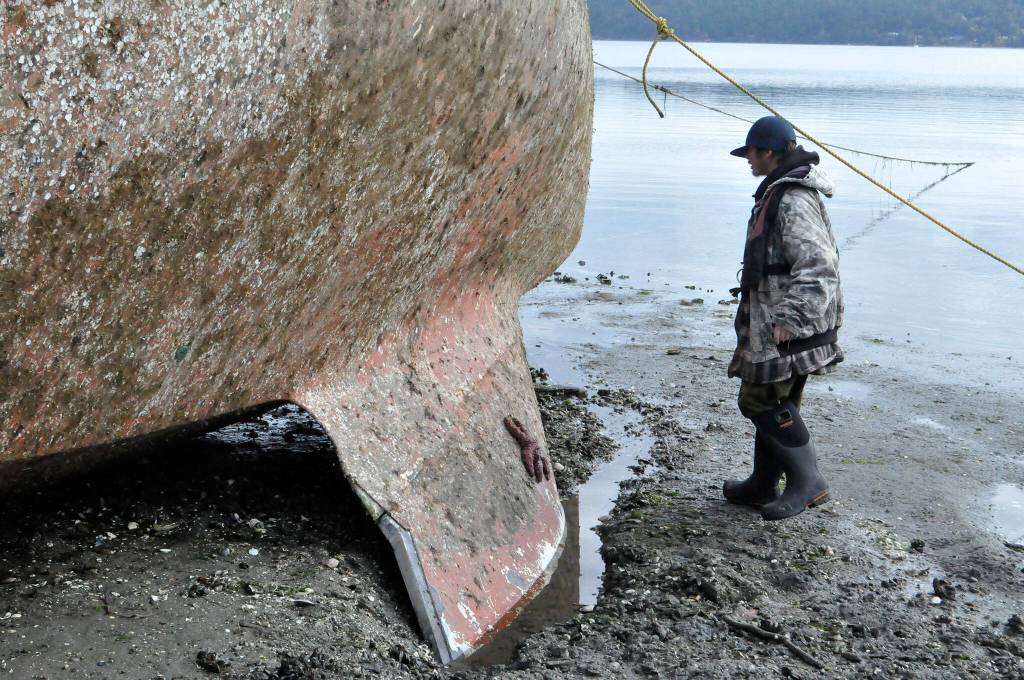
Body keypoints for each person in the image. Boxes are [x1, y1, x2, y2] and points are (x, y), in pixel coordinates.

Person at [722, 115, 844, 521]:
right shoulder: (780, 192)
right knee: (779, 397)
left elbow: (819, 264)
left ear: (769, 152)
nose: (748, 161)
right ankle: (762, 483)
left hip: (791, 325)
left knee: (759, 400)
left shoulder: (792, 198)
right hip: (781, 321)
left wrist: (790, 317)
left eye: (751, 153)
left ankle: (809, 482)